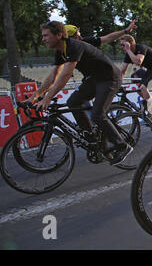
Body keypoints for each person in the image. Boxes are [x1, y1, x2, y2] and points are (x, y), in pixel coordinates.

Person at [25, 21, 133, 165]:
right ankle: (93, 139)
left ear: (59, 35)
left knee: (97, 114)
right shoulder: (60, 51)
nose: (43, 39)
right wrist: (35, 96)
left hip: (109, 78)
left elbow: (65, 75)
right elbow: (53, 76)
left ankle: (122, 145)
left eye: (46, 35)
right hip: (94, 79)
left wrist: (48, 98)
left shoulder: (73, 46)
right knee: (72, 102)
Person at [119, 34, 152, 99]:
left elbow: (138, 62)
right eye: (121, 45)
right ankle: (149, 104)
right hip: (150, 70)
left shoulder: (141, 48)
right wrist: (118, 83)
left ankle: (151, 106)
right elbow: (122, 70)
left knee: (143, 87)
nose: (122, 47)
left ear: (130, 43)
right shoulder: (129, 55)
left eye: (123, 45)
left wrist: (128, 50)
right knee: (139, 90)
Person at [64, 20, 137, 48]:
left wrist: (126, 31)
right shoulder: (63, 50)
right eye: (77, 37)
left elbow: (108, 38)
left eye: (80, 36)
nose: (81, 39)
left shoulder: (85, 41)